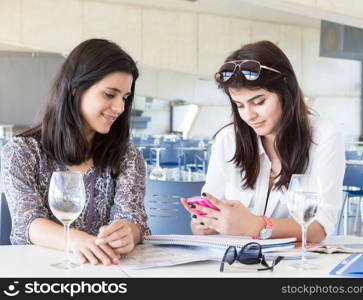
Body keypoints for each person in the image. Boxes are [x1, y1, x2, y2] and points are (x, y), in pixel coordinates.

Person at [1, 39, 150, 265]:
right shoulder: (22, 151)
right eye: (110, 94)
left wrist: (129, 232)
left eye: (125, 97)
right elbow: (28, 222)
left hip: (105, 272)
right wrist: (75, 240)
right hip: (37, 271)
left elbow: (133, 219)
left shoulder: (127, 156)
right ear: (75, 88)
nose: (120, 107)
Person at [181, 41, 344, 242]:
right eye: (239, 105)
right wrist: (205, 225)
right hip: (235, 261)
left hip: (292, 264)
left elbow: (319, 228)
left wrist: (258, 225)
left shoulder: (323, 136)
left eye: (259, 102)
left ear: (286, 93)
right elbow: (210, 210)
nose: (249, 116)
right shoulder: (227, 140)